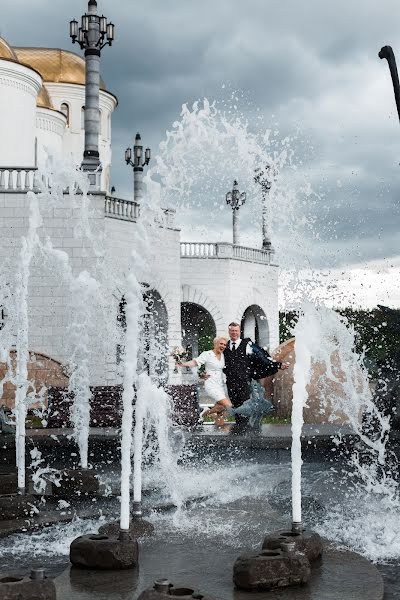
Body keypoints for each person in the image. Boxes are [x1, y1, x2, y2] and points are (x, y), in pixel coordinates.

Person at [224, 322, 288, 433]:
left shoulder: (247, 345)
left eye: (236, 331)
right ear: (229, 332)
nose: (234, 333)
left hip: (245, 383)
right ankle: (239, 432)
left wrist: (278, 365)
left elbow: (261, 358)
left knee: (246, 407)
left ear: (239, 332)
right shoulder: (225, 346)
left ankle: (247, 432)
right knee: (236, 406)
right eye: (232, 331)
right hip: (230, 383)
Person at [176, 336, 231, 424]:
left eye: (225, 345)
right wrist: (183, 364)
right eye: (221, 344)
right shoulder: (207, 354)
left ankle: (219, 428)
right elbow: (195, 362)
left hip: (221, 385)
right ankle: (204, 413)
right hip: (211, 385)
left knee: (221, 412)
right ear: (215, 344)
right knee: (228, 405)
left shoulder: (224, 355)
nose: (223, 346)